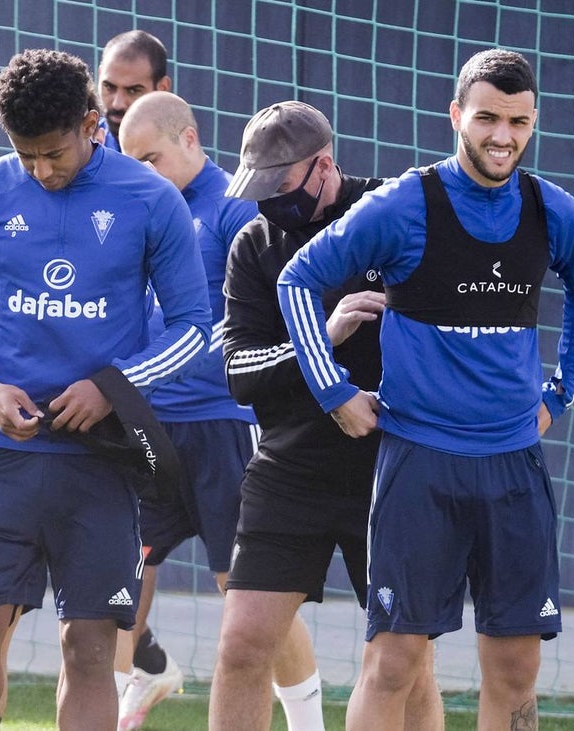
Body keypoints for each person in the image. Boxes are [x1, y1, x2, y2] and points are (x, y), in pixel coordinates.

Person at [277, 49, 574, 730]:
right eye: (487, 117)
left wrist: (559, 393)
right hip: (419, 462)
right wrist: (332, 390)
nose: (502, 135)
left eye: (518, 121)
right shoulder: (405, 203)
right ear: (457, 115)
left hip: (514, 465)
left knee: (516, 668)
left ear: (533, 121)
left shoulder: (550, 209)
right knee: (394, 660)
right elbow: (297, 280)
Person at [0, 48, 211, 731]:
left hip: (100, 462)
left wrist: (112, 385)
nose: (40, 171)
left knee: (87, 649)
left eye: (53, 153)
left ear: (90, 124)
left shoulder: (150, 199)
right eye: (26, 156)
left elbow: (196, 328)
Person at [208, 100, 444, 731]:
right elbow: (240, 374)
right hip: (293, 466)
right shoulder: (253, 245)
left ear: (323, 167)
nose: (266, 201)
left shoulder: (392, 213)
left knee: (404, 663)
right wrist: (322, 339)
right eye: (256, 187)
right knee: (241, 646)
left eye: (279, 186)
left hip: (393, 466)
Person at [116, 90, 294, 730]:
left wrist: (179, 356)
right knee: (122, 577)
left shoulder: (231, 208)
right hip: (147, 425)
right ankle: (124, 693)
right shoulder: (137, 208)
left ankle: (305, 717)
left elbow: (243, 322)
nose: (141, 171)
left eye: (152, 157)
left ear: (190, 139)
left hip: (222, 424)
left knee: (246, 591)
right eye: (129, 159)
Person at [96, 30, 171, 151]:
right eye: (109, 87)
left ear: (162, 88)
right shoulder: (83, 144)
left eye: (133, 91)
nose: (117, 104)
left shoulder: (181, 157)